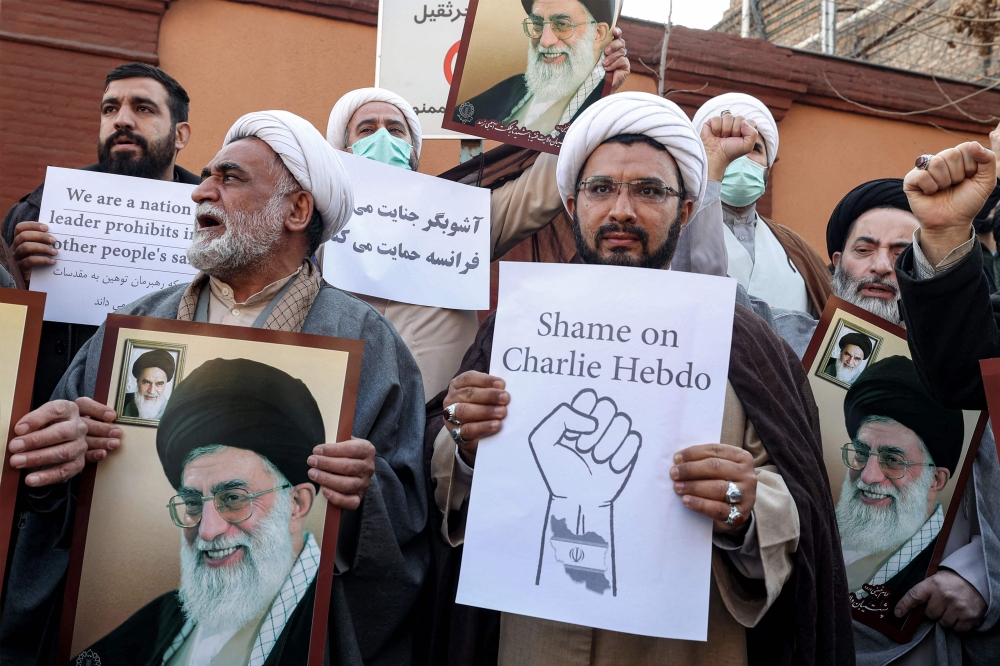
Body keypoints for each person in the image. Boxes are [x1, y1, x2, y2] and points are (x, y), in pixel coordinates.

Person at [425, 92, 852, 665]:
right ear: (572, 204)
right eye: (602, 189)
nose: (621, 210)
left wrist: (747, 506)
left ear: (685, 207)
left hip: (686, 642)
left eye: (649, 191)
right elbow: (452, 482)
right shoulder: (516, 329)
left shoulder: (743, 342)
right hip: (532, 635)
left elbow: (799, 501)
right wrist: (465, 441)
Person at [0, 111, 427, 666]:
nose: (201, 190)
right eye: (205, 176)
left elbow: (408, 521)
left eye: (230, 177)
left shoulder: (370, 342)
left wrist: (366, 493)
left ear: (297, 210)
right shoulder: (136, 324)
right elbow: (50, 499)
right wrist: (53, 459)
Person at [324, 43, 628, 397]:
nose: (382, 137)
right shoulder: (313, 225)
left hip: (436, 426)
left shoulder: (456, 218)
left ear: (412, 153)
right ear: (343, 151)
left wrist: (591, 89)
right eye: (366, 130)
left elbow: (542, 185)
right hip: (337, 420)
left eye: (395, 130)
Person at [79, 359, 326, 664]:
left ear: (297, 504)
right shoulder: (166, 614)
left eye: (234, 498)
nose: (208, 530)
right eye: (194, 503)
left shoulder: (338, 615)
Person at [1, 62, 200, 408]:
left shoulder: (217, 220)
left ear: (180, 134)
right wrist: (18, 282)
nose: (121, 120)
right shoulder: (37, 212)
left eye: (143, 108)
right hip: (47, 418)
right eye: (110, 109)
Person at [837, 357, 969, 630]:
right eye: (861, 453)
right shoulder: (825, 525)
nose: (868, 476)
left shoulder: (961, 573)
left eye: (893, 460)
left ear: (935, 479)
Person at [692, 93, 832, 315]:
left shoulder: (797, 250)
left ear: (769, 167)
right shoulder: (677, 235)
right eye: (725, 147)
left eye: (753, 149)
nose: (739, 158)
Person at [765, 178, 919, 358]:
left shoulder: (946, 364)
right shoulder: (782, 342)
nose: (881, 266)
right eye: (863, 250)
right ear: (837, 263)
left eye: (900, 254)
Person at [452, 0, 616, 137]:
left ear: (598, 34)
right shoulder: (517, 85)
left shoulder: (606, 104)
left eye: (561, 24)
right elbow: (458, 121)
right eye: (538, 25)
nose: (545, 41)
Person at [121, 348, 176, 419]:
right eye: (146, 382)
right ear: (137, 381)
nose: (152, 391)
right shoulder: (123, 402)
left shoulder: (174, 414)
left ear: (165, 384)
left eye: (159, 384)